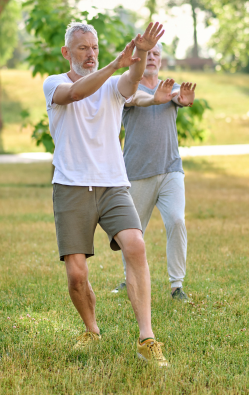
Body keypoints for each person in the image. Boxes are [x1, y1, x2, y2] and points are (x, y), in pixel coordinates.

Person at [42, 22, 170, 365]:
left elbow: (133, 79)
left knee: (136, 244)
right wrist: (115, 63)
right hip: (70, 185)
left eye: (94, 47)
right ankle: (92, 329)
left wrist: (140, 53)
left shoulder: (114, 86)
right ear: (67, 53)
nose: (91, 53)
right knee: (76, 274)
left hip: (112, 182)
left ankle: (147, 337)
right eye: (83, 48)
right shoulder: (53, 83)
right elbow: (75, 94)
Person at [110, 43, 196, 302]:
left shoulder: (172, 89)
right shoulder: (127, 88)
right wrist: (157, 98)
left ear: (161, 61)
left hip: (171, 169)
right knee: (133, 231)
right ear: (139, 59)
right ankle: (129, 278)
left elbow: (181, 96)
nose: (152, 58)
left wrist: (183, 100)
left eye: (156, 55)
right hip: (137, 172)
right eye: (148, 54)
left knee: (177, 220)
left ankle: (176, 285)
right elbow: (136, 99)